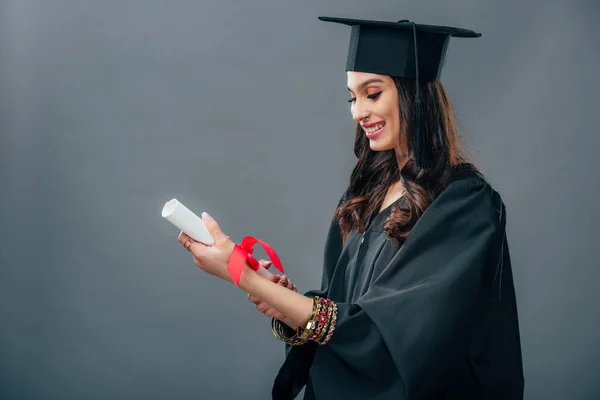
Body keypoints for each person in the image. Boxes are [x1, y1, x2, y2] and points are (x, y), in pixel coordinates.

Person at [177, 16, 524, 400]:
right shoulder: (365, 196)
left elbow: (387, 337)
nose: (358, 112)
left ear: (415, 95)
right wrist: (285, 300)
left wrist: (242, 275)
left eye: (372, 94)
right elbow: (340, 316)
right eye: (352, 97)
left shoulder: (465, 204)